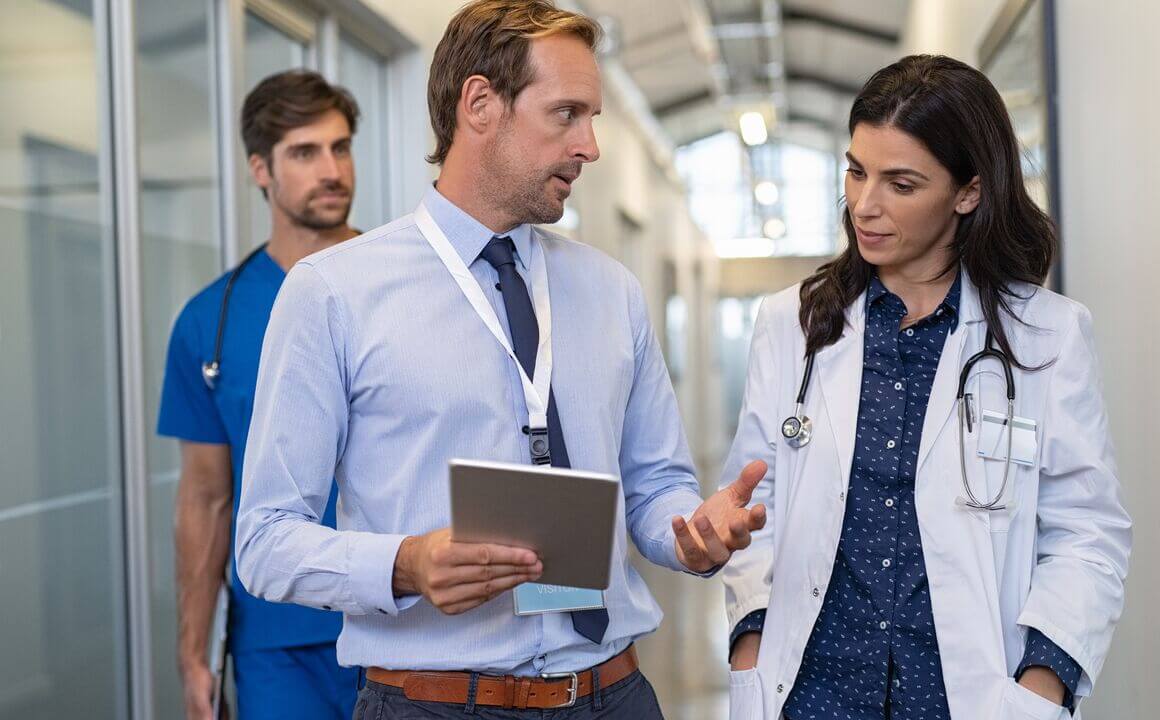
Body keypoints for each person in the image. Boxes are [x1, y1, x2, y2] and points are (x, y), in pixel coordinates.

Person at [234, 2, 766, 718]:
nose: (589, 146)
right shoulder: (334, 293)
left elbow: (655, 487)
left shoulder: (611, 291)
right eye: (566, 114)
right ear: (480, 104)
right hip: (435, 703)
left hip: (611, 694)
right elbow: (264, 540)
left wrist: (693, 534)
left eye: (592, 118)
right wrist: (405, 564)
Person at [720, 54, 1132, 720]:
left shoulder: (1047, 336)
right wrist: (751, 644)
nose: (865, 204)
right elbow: (752, 502)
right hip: (812, 695)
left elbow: (1088, 533)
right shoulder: (790, 323)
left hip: (967, 699)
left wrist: (1042, 683)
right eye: (856, 171)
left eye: (901, 184)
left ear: (968, 192)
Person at [157, 69, 362, 720]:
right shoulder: (210, 322)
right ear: (260, 170)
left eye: (340, 147)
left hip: (409, 621)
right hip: (276, 643)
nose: (331, 170)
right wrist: (193, 652)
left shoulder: (406, 286)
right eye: (304, 152)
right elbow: (206, 498)